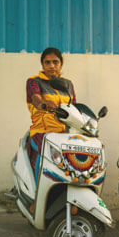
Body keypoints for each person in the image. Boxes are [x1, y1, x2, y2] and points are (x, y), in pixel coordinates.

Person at [26, 47, 76, 176]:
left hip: (64, 133)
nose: (51, 66)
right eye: (47, 62)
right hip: (42, 132)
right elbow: (36, 99)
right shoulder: (34, 82)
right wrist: (44, 104)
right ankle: (37, 190)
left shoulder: (68, 84)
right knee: (45, 154)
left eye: (55, 62)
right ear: (42, 64)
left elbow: (75, 109)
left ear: (61, 64)